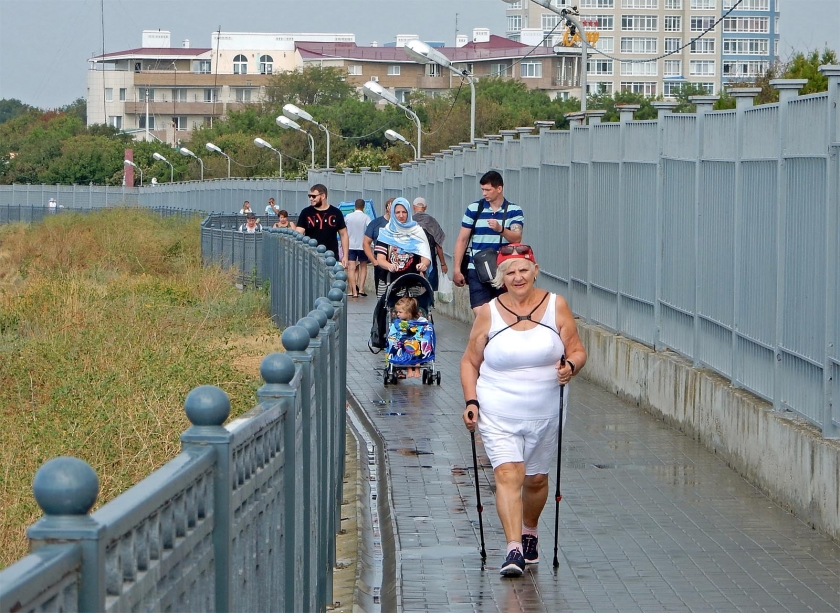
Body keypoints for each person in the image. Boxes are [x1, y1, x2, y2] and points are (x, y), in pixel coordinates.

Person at [460, 244, 586, 578]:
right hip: (498, 408)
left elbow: (576, 349)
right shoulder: (489, 312)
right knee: (507, 474)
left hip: (546, 410)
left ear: (535, 271)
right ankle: (513, 548)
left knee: (536, 480)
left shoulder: (556, 305)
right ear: (501, 278)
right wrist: (471, 402)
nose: (517, 277)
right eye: (510, 272)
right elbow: (470, 362)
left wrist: (570, 366)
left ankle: (530, 531)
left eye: (523, 270)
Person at [453, 171, 524, 314]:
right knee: (480, 311)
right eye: (482, 190)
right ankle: (485, 336)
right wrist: (456, 269)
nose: (484, 193)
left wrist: (501, 229)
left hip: (503, 267)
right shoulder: (474, 209)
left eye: (488, 189)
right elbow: (462, 239)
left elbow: (517, 238)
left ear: (499, 188)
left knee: (504, 311)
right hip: (477, 267)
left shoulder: (514, 210)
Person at [374, 197, 431, 287]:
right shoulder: (386, 233)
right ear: (393, 213)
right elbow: (380, 259)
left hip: (413, 282)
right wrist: (389, 266)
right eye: (397, 212)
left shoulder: (417, 232)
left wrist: (423, 264)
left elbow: (425, 255)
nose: (401, 215)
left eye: (404, 212)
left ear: (409, 212)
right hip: (389, 282)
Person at [295, 184, 349, 268]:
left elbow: (344, 234)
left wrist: (345, 256)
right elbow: (298, 233)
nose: (311, 199)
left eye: (313, 196)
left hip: (331, 258)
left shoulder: (336, 212)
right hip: (311, 257)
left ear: (323, 196)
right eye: (309, 196)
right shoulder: (306, 212)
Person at [412, 197, 448, 291]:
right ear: (425, 207)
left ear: (413, 207)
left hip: (412, 261)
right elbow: (438, 244)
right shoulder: (432, 221)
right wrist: (443, 264)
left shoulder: (409, 222)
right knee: (430, 288)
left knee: (413, 288)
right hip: (430, 259)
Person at [364, 197, 394, 297]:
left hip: (398, 265)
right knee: (381, 295)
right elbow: (366, 243)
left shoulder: (403, 226)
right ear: (387, 209)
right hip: (381, 265)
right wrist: (374, 261)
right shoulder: (376, 223)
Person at [393, 296, 427, 378]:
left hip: (416, 339)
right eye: (397, 312)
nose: (397, 314)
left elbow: (424, 323)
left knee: (419, 346)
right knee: (405, 346)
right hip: (404, 340)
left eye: (400, 312)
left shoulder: (418, 320)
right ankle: (409, 368)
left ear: (408, 312)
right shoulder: (399, 322)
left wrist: (423, 325)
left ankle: (417, 367)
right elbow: (397, 327)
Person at [345, 198, 371, 298]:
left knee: (351, 268)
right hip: (362, 245)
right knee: (363, 266)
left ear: (354, 206)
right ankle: (361, 289)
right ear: (363, 207)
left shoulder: (348, 216)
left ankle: (352, 291)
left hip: (350, 245)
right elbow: (369, 229)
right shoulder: (366, 217)